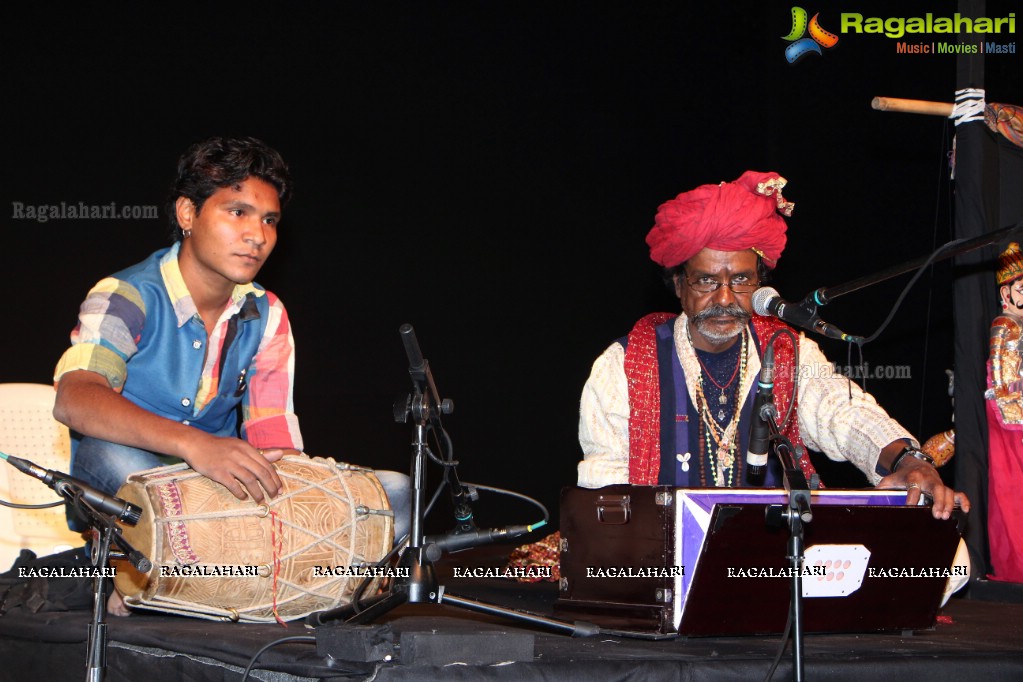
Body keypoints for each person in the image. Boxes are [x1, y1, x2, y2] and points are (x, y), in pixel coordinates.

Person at [53, 137, 410, 612]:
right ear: (187, 214)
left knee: (393, 494)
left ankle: (246, 584)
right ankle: (143, 572)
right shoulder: (126, 296)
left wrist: (306, 504)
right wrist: (193, 445)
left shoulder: (268, 314)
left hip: (221, 496)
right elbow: (75, 398)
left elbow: (273, 437)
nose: (257, 235)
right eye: (237, 213)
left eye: (269, 220)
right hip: (142, 482)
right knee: (110, 455)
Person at [577, 170, 970, 521]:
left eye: (742, 281)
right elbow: (606, 496)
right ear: (679, 285)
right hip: (668, 558)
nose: (726, 298)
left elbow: (844, 415)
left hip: (776, 554)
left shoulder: (785, 349)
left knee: (952, 564)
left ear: (760, 285)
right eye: (707, 281)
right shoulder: (626, 365)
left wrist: (908, 459)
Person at [983, 242, 1023, 583]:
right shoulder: (1004, 325)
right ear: (1006, 293)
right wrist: (1009, 407)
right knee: (1013, 488)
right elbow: (998, 374)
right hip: (1012, 418)